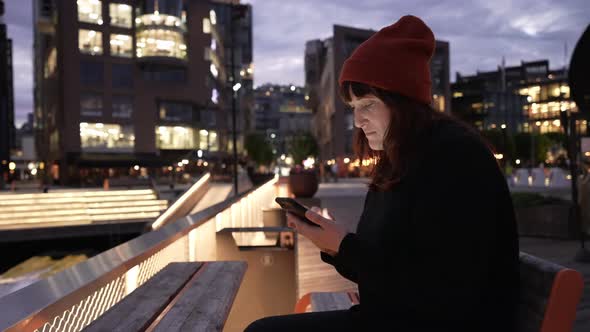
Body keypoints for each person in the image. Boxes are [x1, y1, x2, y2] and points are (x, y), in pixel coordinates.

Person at [245, 15, 519, 332]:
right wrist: (334, 245)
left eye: (368, 104)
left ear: (404, 101)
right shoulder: (402, 158)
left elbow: (441, 289)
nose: (358, 120)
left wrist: (346, 246)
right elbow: (392, 269)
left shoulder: (455, 157)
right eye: (353, 107)